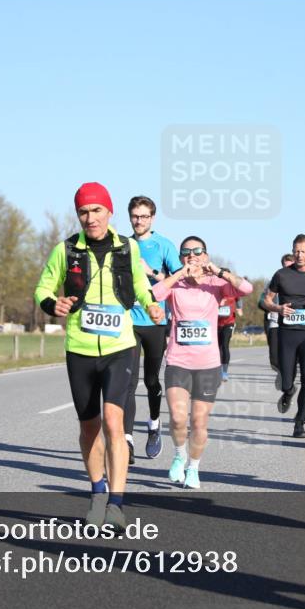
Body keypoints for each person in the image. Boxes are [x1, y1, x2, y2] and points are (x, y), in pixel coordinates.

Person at [34, 182, 164, 532]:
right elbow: (43, 288)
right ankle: (97, 493)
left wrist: (150, 302)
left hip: (120, 346)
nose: (90, 218)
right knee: (89, 425)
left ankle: (117, 504)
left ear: (109, 211)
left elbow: (139, 284)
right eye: (83, 212)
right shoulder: (66, 250)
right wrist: (52, 304)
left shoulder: (127, 249)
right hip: (80, 347)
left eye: (96, 210)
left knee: (113, 421)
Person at [152, 236, 252, 488]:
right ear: (181, 258)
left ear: (205, 255)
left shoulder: (215, 283)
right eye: (186, 252)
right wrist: (178, 275)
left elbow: (246, 289)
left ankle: (194, 468)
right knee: (176, 417)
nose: (192, 255)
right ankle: (178, 456)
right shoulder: (175, 284)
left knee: (198, 421)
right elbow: (155, 293)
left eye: (197, 251)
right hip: (178, 360)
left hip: (207, 364)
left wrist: (218, 271)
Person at [124, 195, 181, 464]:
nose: (139, 221)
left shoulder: (164, 245)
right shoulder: (123, 246)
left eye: (144, 216)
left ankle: (155, 424)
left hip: (156, 323)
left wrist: (152, 272)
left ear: (152, 218)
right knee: (128, 380)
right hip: (129, 321)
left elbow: (180, 281)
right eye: (135, 216)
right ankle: (127, 440)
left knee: (150, 381)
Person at [264, 234, 305, 438]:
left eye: (303, 251)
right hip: (287, 334)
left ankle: (300, 423)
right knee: (286, 382)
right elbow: (264, 300)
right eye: (296, 251)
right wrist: (277, 307)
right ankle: (289, 391)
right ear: (292, 251)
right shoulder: (281, 275)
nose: (299, 255)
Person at [259, 253, 296, 390]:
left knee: (290, 357)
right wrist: (272, 307)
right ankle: (282, 373)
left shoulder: (300, 281)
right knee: (274, 359)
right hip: (275, 321)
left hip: (292, 323)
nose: (287, 269)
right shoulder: (274, 280)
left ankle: (289, 384)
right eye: (285, 266)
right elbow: (263, 301)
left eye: (290, 266)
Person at [216, 289, 243, 381]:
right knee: (217, 346)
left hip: (229, 322)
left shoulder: (232, 290)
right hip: (216, 322)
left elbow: (239, 299)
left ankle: (224, 371)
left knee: (225, 345)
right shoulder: (215, 290)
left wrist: (239, 308)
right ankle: (218, 370)